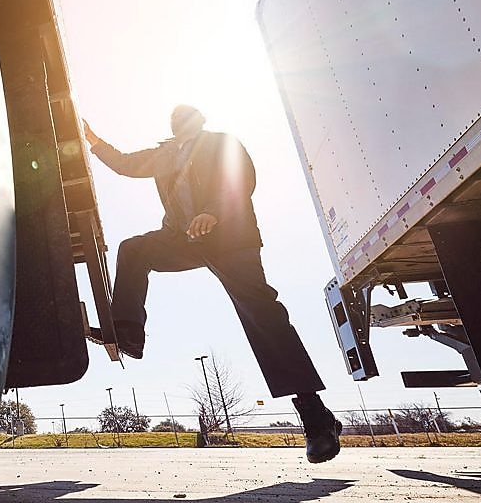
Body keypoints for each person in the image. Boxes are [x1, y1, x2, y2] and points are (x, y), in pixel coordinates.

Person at [84, 105, 342, 463]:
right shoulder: (164, 155)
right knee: (133, 250)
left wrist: (215, 211)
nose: (177, 121)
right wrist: (94, 141)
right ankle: (127, 331)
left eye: (184, 116)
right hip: (183, 239)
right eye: (172, 117)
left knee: (262, 316)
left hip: (229, 238)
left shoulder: (222, 143)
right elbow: (127, 163)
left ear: (201, 120)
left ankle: (316, 416)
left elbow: (242, 179)